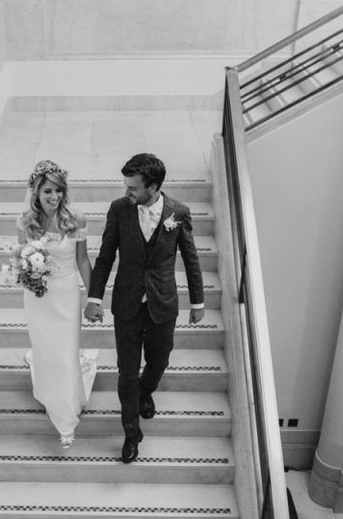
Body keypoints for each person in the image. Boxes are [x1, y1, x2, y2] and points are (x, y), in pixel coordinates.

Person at [84, 153, 205, 463]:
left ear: (153, 187)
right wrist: (94, 299)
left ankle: (145, 390)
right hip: (126, 304)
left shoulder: (178, 213)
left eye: (134, 188)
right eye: (126, 186)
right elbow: (106, 256)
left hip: (162, 304)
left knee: (159, 361)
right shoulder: (119, 210)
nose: (128, 193)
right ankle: (131, 432)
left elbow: (191, 259)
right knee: (126, 372)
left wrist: (197, 301)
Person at [17, 159, 96, 448]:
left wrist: (94, 296)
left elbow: (83, 260)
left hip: (65, 293)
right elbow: (21, 258)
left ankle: (65, 420)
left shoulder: (77, 219)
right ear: (36, 192)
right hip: (37, 298)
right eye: (48, 191)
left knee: (64, 354)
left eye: (59, 191)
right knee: (45, 350)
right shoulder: (26, 221)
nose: (55, 197)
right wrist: (29, 278)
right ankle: (50, 393)